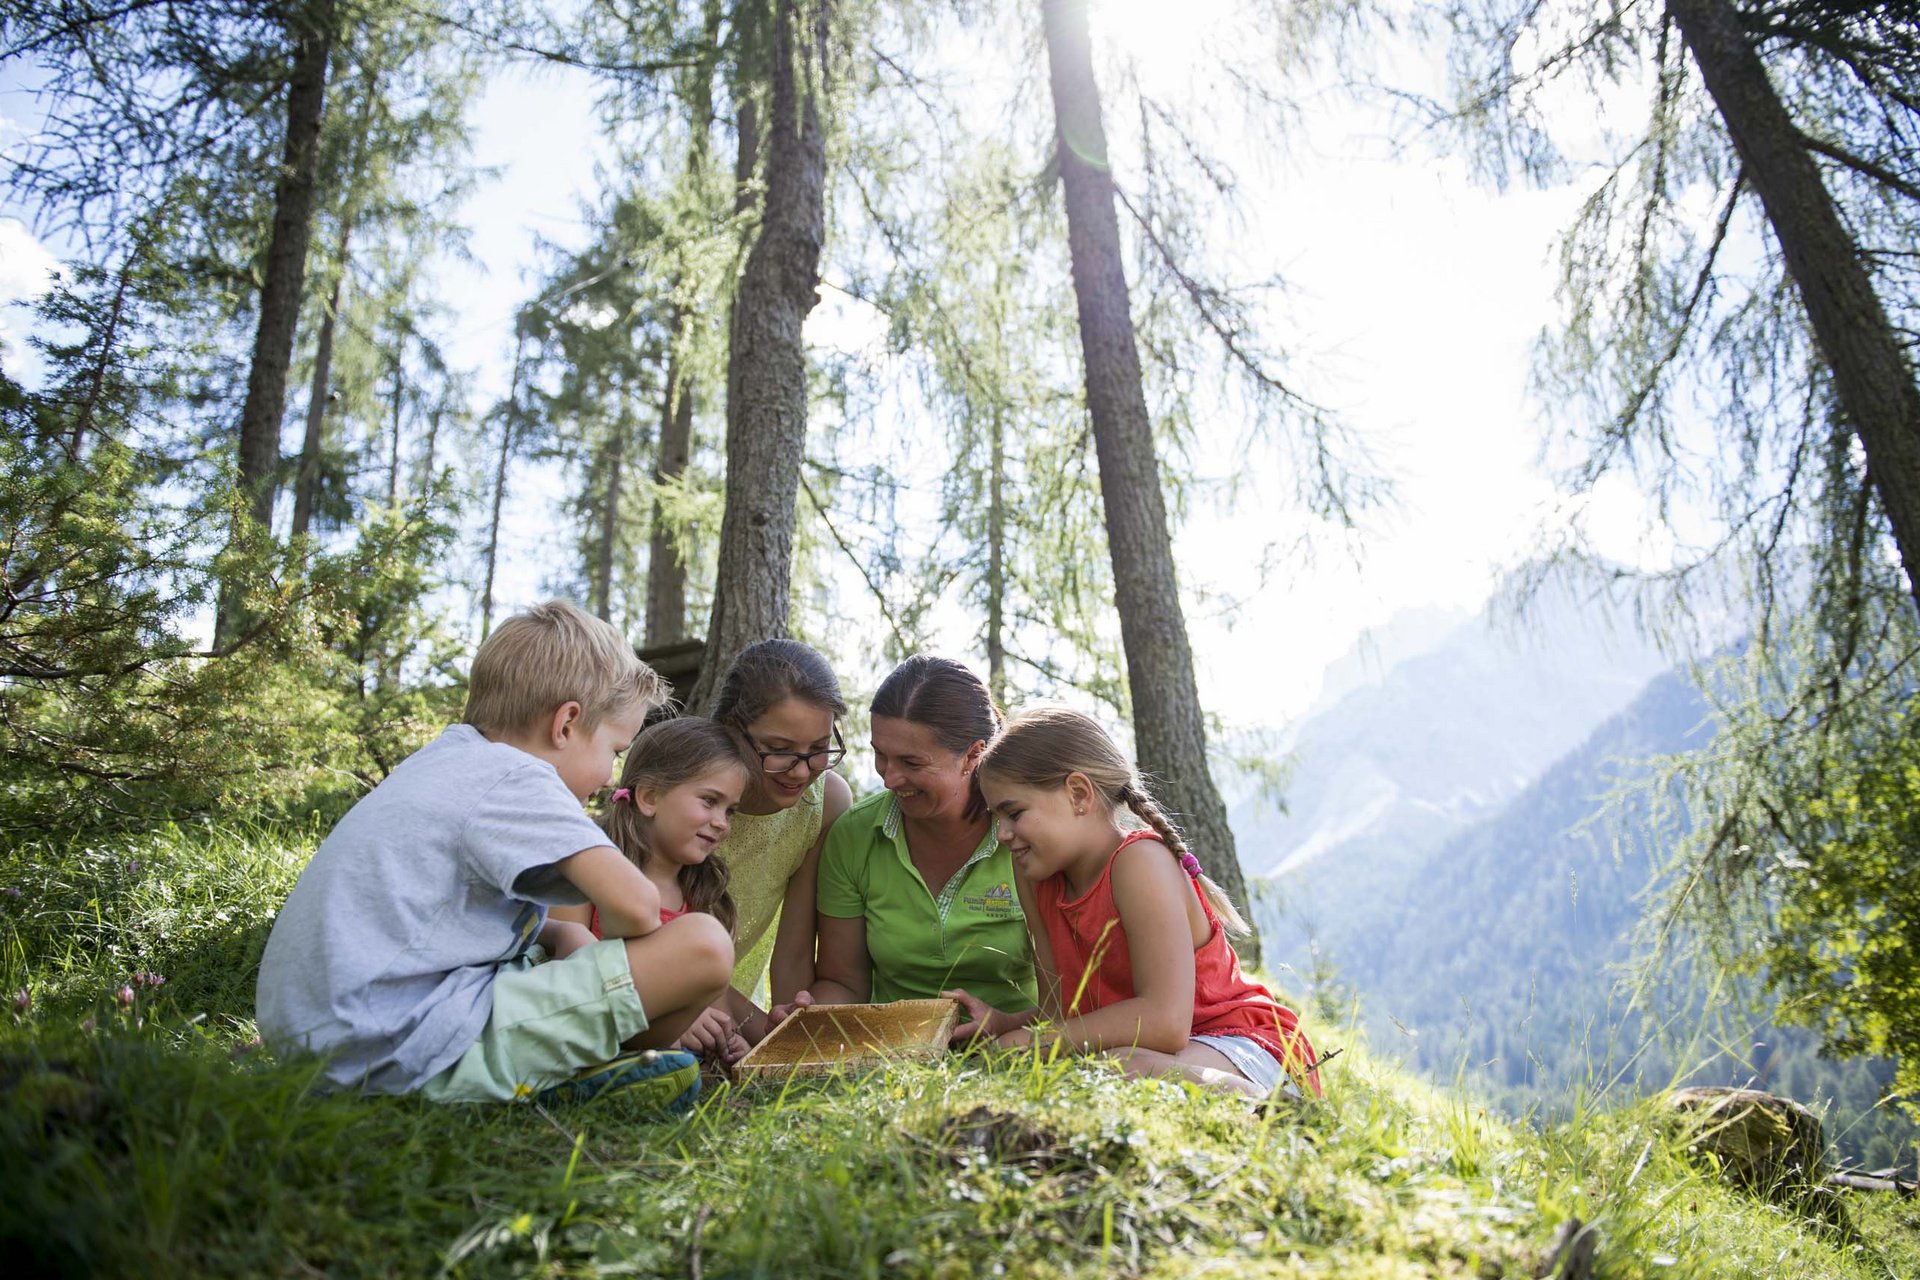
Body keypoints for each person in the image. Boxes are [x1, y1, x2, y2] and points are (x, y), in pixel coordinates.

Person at [255, 600, 734, 1109]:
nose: (610, 778)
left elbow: (457, 915)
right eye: (615, 752)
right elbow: (637, 905)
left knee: (558, 939)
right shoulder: (517, 777)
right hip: (401, 1047)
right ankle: (584, 1071)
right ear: (566, 724)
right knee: (703, 944)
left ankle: (588, 1062)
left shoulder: (448, 760)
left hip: (332, 1035)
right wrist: (628, 968)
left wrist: (563, 932)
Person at [953, 705, 1321, 1099]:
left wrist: (1032, 1043)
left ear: (1078, 794)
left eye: (1013, 813)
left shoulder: (1139, 862)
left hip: (1243, 1045)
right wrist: (1006, 1025)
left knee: (1120, 1067)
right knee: (1093, 1068)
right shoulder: (1035, 877)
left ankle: (1277, 1110)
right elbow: (1062, 1014)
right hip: (1159, 1051)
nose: (1003, 834)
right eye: (996, 818)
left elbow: (1165, 1022)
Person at [787, 655, 1036, 1018]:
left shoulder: (1025, 833)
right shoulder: (855, 836)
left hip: (1016, 1042)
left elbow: (1070, 983)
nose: (889, 779)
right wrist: (810, 1015)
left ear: (972, 756)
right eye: (880, 756)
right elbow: (844, 982)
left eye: (911, 763)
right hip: (895, 1051)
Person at [555, 717, 758, 1063]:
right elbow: (563, 975)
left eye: (730, 811)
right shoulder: (590, 868)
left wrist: (726, 1038)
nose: (722, 822)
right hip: (585, 1034)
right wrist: (669, 1026)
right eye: (709, 801)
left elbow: (710, 1000)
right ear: (650, 797)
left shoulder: (701, 896)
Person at [709, 639, 853, 1006]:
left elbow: (794, 950)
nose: (802, 771)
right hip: (660, 990)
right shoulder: (690, 791)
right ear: (732, 728)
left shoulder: (824, 804)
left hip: (738, 1006)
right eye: (780, 749)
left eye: (819, 749)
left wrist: (784, 1038)